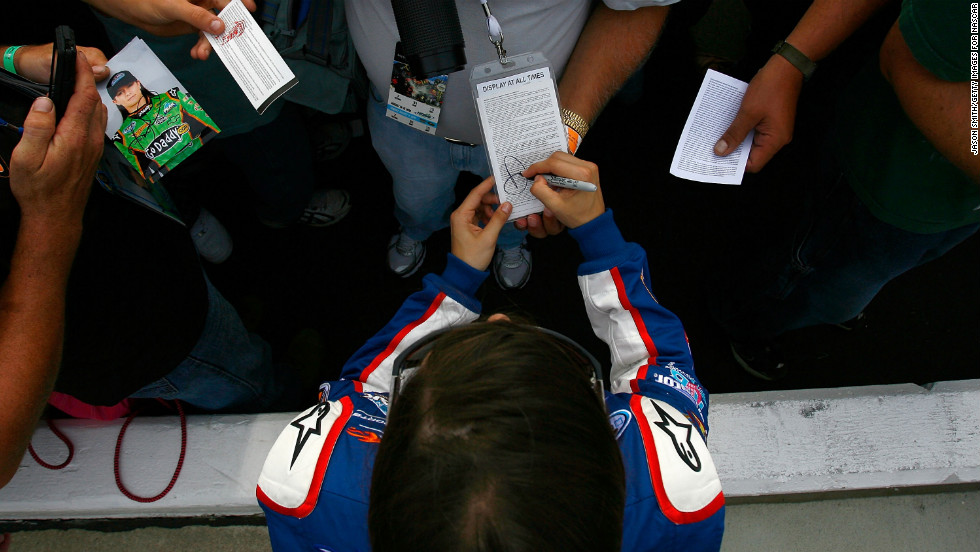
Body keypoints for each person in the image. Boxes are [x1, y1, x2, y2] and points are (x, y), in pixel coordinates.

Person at [256, 153, 725, 551]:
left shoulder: (306, 487)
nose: (499, 321)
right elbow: (663, 368)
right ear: (611, 462)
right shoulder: (677, 501)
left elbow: (359, 389)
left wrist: (457, 280)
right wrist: (599, 234)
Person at [0, 40, 283, 423]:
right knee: (245, 380)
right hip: (134, 328)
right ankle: (281, 392)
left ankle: (231, 311)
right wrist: (50, 212)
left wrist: (12, 58)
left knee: (219, 311)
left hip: (136, 216)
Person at [710, 0, 980, 379]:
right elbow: (915, 59)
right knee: (809, 270)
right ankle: (747, 325)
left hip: (955, 208)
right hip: (889, 184)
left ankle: (829, 306)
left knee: (859, 276)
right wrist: (792, 61)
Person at [347, 1, 673, 288]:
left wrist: (565, 132)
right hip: (410, 93)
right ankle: (417, 228)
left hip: (524, 116)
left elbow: (641, 5)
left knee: (520, 206)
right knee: (415, 197)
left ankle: (510, 241)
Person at [85, 0, 352, 229]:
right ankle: (287, 212)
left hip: (253, 45)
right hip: (218, 80)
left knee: (283, 126)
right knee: (276, 155)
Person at [1, 50, 107, 488]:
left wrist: (13, 59)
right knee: (232, 371)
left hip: (93, 185)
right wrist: (52, 217)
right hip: (107, 318)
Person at [108, 69, 219, 182]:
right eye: (120, 93)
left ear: (138, 83)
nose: (128, 93)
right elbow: (144, 178)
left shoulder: (173, 96)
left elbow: (210, 123)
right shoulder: (121, 138)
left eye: (130, 85)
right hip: (175, 180)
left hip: (211, 155)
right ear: (115, 101)